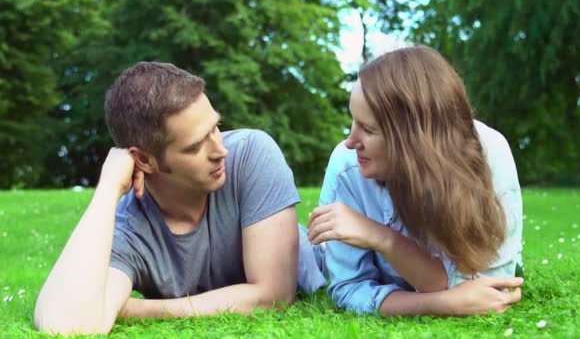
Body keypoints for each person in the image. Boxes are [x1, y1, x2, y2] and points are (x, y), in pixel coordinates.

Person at [33, 62, 324, 335]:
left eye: (216, 127)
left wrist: (138, 310)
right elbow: (66, 325)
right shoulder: (130, 226)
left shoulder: (251, 154)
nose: (219, 149)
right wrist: (108, 189)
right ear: (145, 161)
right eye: (197, 145)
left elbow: (274, 295)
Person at [306, 45, 524, 316]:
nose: (351, 141)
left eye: (368, 129)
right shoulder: (346, 167)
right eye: (353, 121)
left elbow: (488, 291)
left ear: (413, 140)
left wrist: (382, 238)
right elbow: (349, 288)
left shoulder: (489, 154)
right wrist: (443, 304)